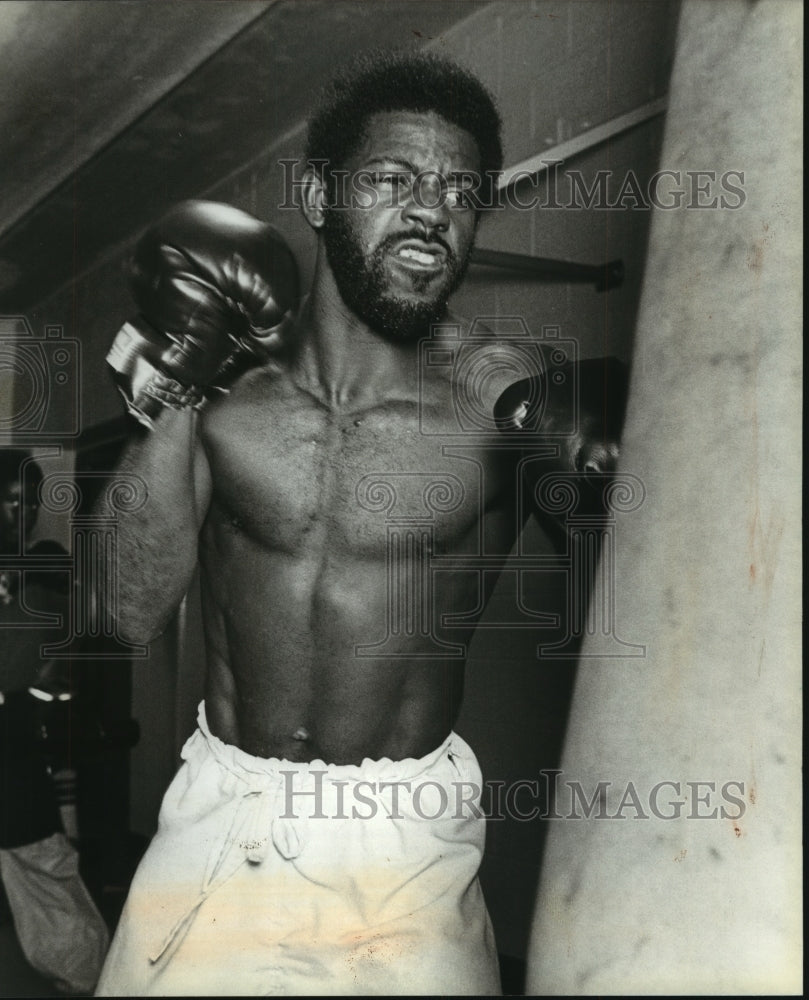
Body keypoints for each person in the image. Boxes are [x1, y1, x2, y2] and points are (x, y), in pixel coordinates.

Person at [95, 51, 626, 996]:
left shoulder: (502, 407)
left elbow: (648, 623)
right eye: (391, 179)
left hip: (403, 851)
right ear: (318, 195)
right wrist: (172, 387)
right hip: (224, 822)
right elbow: (125, 611)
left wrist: (605, 465)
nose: (430, 210)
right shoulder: (231, 397)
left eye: (460, 190)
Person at [0, 449, 109, 995]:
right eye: (8, 499)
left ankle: (90, 980)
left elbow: (69, 637)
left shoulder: (43, 562)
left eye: (29, 500)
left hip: (17, 736)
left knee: (45, 862)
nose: (20, 511)